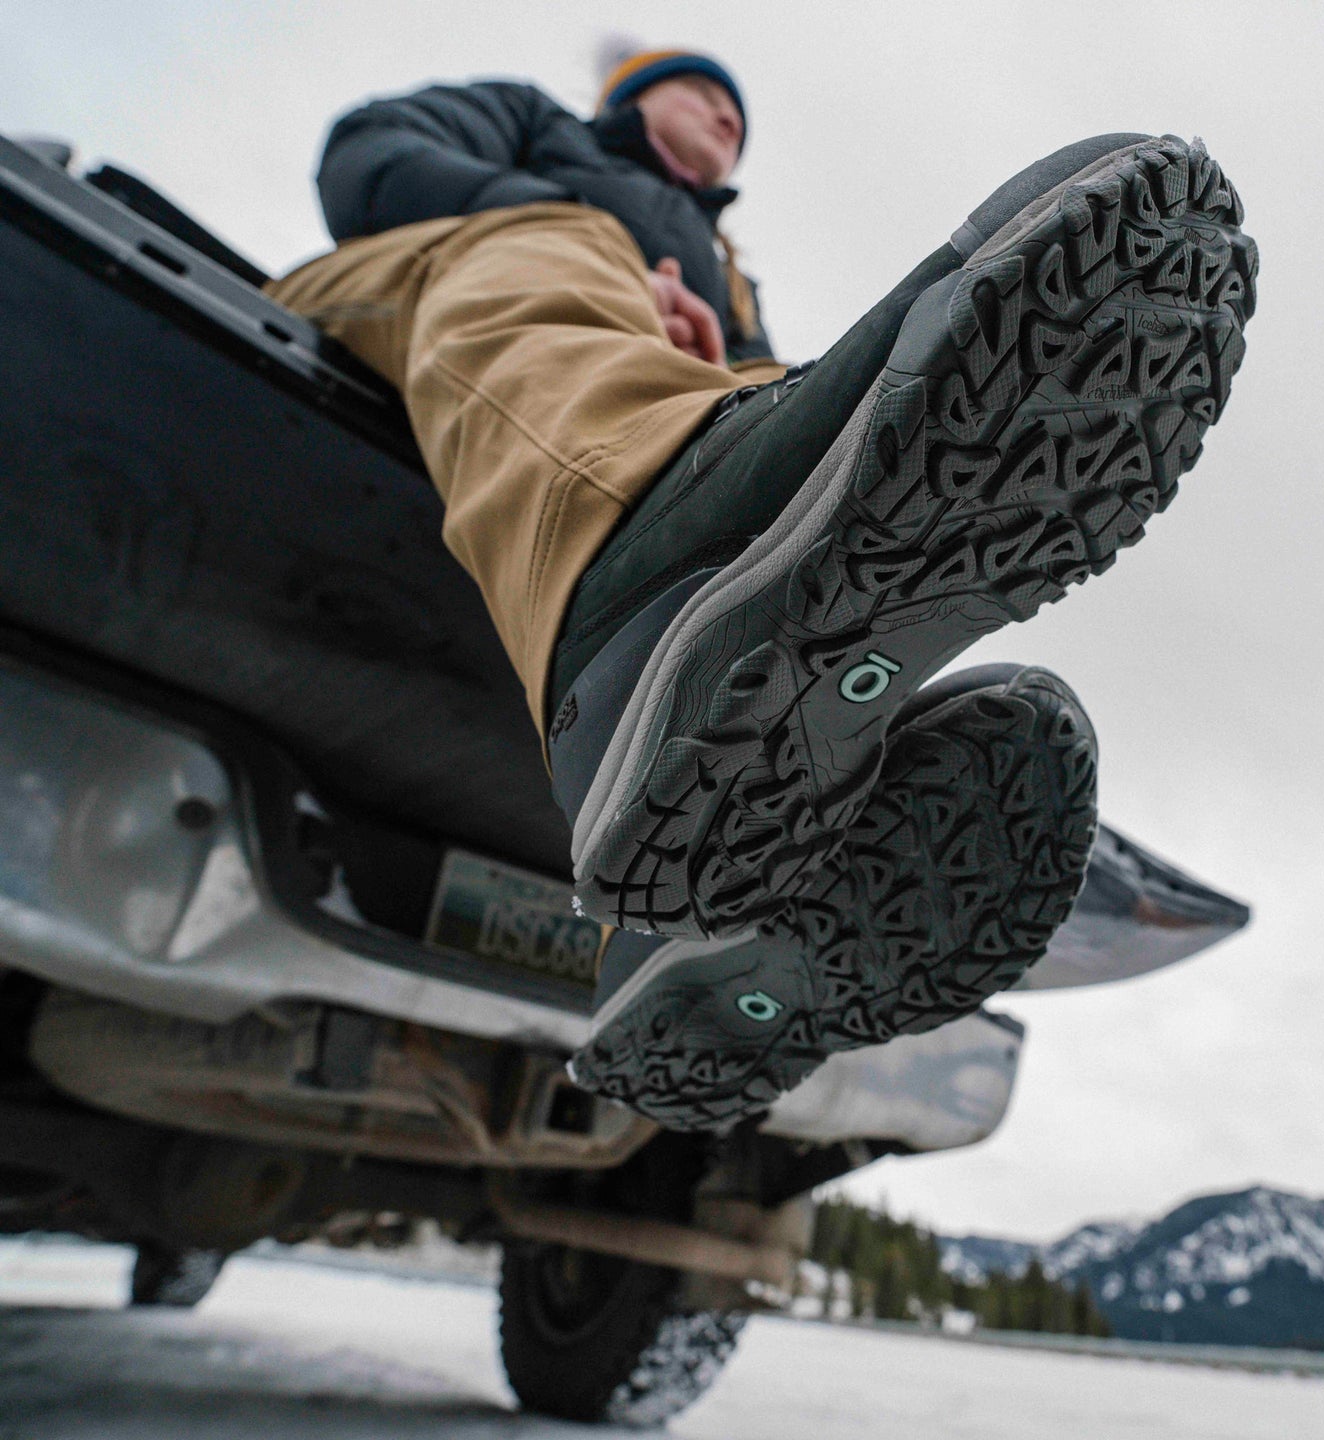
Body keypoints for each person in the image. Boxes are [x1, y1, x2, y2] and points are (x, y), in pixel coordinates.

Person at [267, 48, 1257, 1127]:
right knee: (569, 251)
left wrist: (715, 345)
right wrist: (605, 248)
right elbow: (365, 162)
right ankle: (634, 595)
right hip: (410, 299)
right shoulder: (538, 131)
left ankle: (693, 941)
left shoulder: (729, 271)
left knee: (780, 403)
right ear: (628, 99)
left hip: (588, 380)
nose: (726, 119)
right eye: (704, 94)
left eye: (740, 115)